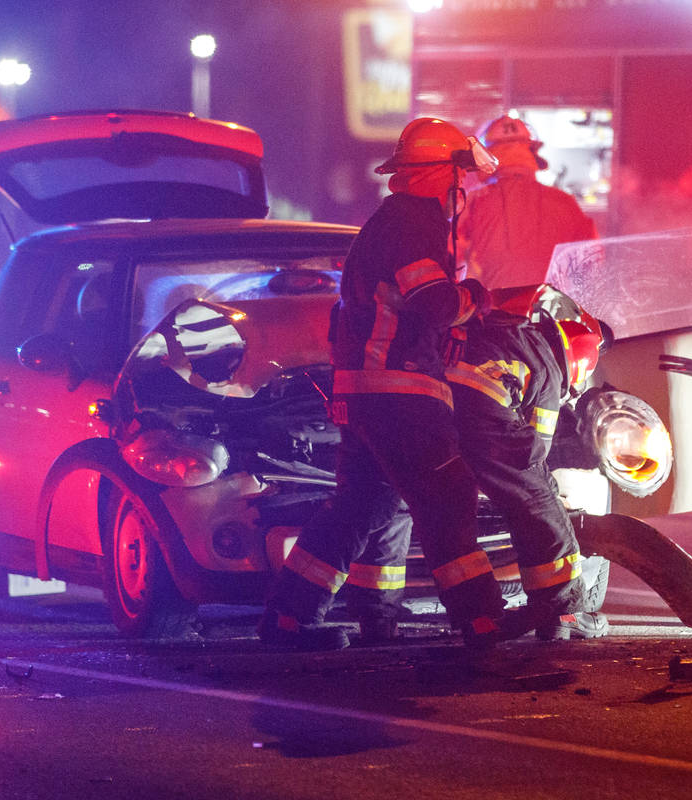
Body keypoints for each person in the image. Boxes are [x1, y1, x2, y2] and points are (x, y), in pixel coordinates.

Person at [259, 117, 527, 650]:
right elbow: (432, 303)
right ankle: (482, 620)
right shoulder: (413, 223)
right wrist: (478, 297)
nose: (465, 191)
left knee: (361, 506)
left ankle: (289, 618)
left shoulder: (389, 221)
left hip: (364, 389)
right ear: (442, 177)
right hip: (400, 391)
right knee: (446, 496)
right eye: (462, 180)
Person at [447, 284, 611, 640]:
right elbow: (535, 450)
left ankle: (479, 619)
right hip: (485, 415)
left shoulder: (509, 336)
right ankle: (564, 615)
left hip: (437, 413)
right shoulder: (549, 368)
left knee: (448, 515)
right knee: (538, 501)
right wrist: (547, 489)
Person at [456, 115, 598, 290]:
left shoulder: (472, 202)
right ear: (530, 151)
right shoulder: (565, 202)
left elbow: (451, 257)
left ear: (484, 157)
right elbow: (592, 264)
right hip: (549, 312)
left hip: (491, 312)